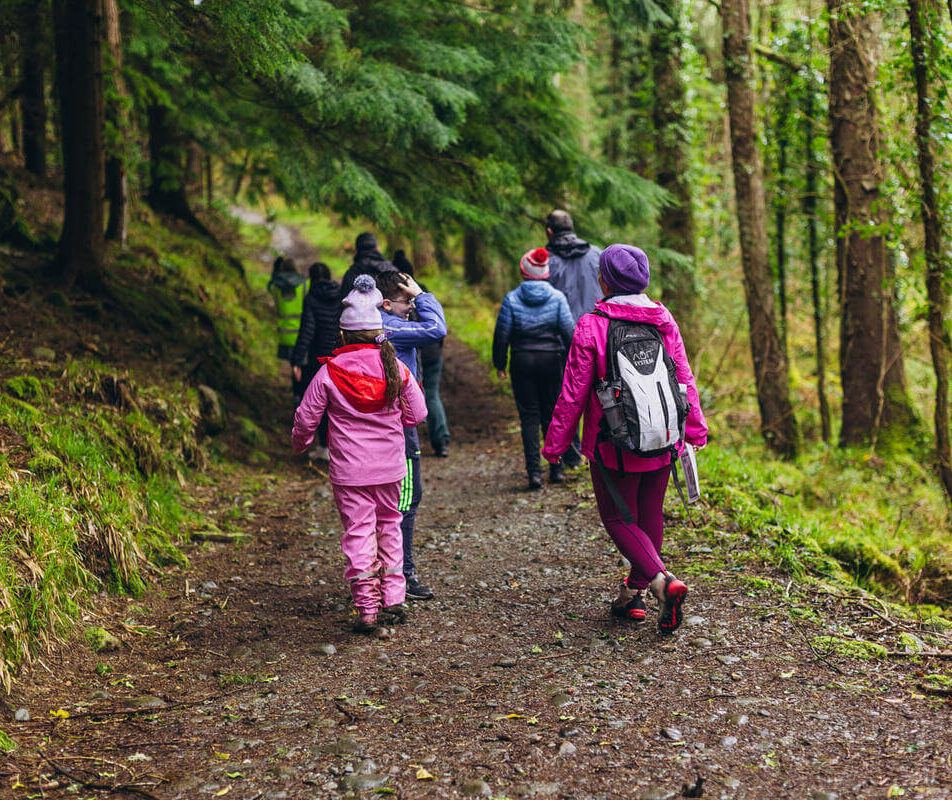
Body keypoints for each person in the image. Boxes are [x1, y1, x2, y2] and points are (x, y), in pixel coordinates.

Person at [542, 244, 707, 634]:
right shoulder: (662, 318)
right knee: (649, 516)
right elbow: (684, 377)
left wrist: (555, 444)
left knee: (618, 518)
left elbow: (573, 391)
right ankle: (633, 595)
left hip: (612, 441)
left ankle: (662, 583)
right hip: (665, 437)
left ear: (605, 280)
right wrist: (695, 427)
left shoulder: (592, 324)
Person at [291, 275, 428, 635]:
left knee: (358, 533)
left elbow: (306, 418)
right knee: (390, 527)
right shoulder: (394, 367)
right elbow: (417, 415)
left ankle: (367, 607)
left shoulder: (328, 373)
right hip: (391, 468)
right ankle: (394, 597)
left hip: (350, 472)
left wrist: (300, 444)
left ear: (343, 334)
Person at [376, 269, 447, 600]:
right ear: (388, 304)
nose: (412, 308)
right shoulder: (391, 327)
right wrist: (422, 295)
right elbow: (437, 328)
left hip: (384, 426)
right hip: (400, 430)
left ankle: (384, 572)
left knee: (383, 504)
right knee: (406, 499)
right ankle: (401, 574)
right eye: (407, 303)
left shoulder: (372, 324)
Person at [492, 248, 574, 490]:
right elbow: (569, 333)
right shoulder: (558, 297)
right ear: (545, 273)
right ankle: (556, 469)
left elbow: (502, 335)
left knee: (529, 416)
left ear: (523, 271)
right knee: (551, 415)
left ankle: (534, 474)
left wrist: (500, 363)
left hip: (522, 361)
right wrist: (573, 364)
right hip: (552, 361)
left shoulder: (512, 298)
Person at [544, 210, 603, 467]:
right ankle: (597, 450)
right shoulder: (598, 255)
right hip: (598, 337)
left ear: (549, 231)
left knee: (563, 396)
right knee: (601, 393)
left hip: (558, 340)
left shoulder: (544, 261)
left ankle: (570, 453)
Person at [393, 249, 450, 457]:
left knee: (409, 395)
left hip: (415, 351)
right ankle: (441, 440)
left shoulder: (393, 297)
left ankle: (409, 443)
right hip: (431, 351)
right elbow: (437, 320)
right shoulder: (422, 292)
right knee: (432, 395)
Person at [291, 262, 341, 458]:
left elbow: (307, 331)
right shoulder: (340, 294)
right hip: (340, 355)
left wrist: (296, 360)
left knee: (320, 402)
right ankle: (339, 445)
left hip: (318, 359)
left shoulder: (311, 298)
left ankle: (325, 447)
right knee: (339, 402)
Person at [267, 257, 308, 362]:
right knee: (301, 367)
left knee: (293, 365)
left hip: (284, 335)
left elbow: (270, 284)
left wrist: (276, 270)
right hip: (302, 334)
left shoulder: (275, 287)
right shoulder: (305, 284)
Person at [339, 233, 395, 300]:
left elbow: (343, 301)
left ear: (356, 251)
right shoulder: (391, 271)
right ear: (378, 249)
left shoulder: (350, 274)